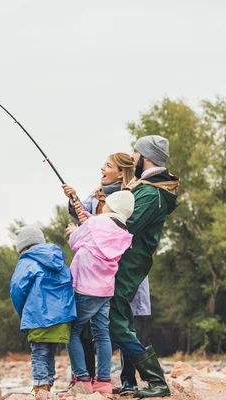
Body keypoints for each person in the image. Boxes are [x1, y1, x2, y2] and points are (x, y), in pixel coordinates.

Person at [61, 152, 152, 386]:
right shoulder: (97, 195)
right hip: (105, 281)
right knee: (99, 331)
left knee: (121, 326)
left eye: (108, 165)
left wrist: (87, 224)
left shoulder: (134, 194)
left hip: (101, 279)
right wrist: (76, 202)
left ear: (121, 172)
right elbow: (105, 228)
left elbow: (91, 232)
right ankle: (99, 381)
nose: (102, 168)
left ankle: (114, 380)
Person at [109, 135, 179, 398]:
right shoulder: (149, 188)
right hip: (127, 261)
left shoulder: (152, 193)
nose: (131, 158)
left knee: (116, 321)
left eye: (135, 154)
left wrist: (96, 224)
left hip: (130, 262)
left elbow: (126, 226)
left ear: (146, 157)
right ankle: (135, 380)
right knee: (122, 320)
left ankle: (156, 382)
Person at [64, 190, 135, 395]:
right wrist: (89, 221)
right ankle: (103, 382)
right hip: (105, 289)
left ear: (110, 206)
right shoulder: (123, 231)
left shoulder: (96, 224)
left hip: (85, 286)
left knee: (71, 331)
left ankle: (82, 380)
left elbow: (74, 242)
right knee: (102, 333)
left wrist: (74, 230)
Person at [10, 225, 77, 396]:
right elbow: (68, 286)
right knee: (49, 352)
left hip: (36, 316)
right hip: (61, 318)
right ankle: (48, 386)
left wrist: (22, 312)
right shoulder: (58, 260)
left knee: (39, 352)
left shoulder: (26, 262)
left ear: (23, 246)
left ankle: (41, 387)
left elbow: (17, 290)